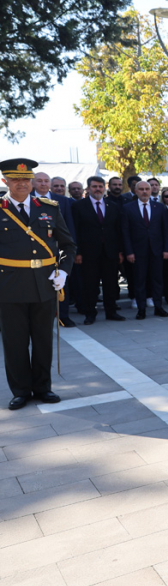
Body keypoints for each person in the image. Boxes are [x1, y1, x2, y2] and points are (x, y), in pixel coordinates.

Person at [0, 158, 76, 410]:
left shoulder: (49, 208)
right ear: (5, 181)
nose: (21, 184)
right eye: (15, 179)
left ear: (32, 181)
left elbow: (67, 245)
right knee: (15, 342)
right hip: (9, 287)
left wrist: (63, 272)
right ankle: (21, 390)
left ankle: (43, 387)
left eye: (25, 179)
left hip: (44, 285)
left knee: (43, 339)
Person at [71, 176, 125, 325]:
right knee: (90, 285)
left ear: (104, 188)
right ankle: (90, 313)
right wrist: (78, 252)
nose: (98, 189)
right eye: (94, 186)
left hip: (110, 252)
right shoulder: (79, 206)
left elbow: (118, 230)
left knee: (111, 283)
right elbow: (75, 230)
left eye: (100, 186)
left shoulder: (112, 206)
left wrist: (120, 251)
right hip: (88, 253)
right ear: (88, 188)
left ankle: (111, 311)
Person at [32, 171, 77, 327]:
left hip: (58, 251)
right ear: (33, 183)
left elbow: (69, 227)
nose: (43, 184)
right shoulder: (25, 200)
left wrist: (73, 250)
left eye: (46, 181)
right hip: (34, 253)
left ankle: (63, 316)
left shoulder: (62, 201)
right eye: (39, 181)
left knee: (62, 284)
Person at [121, 180, 168, 319]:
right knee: (139, 281)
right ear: (136, 191)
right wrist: (129, 251)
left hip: (157, 250)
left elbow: (166, 230)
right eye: (141, 189)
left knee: (157, 280)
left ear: (151, 191)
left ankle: (158, 307)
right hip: (137, 252)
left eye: (147, 189)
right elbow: (125, 232)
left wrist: (167, 249)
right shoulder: (127, 208)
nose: (144, 191)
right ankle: (141, 309)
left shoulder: (159, 207)